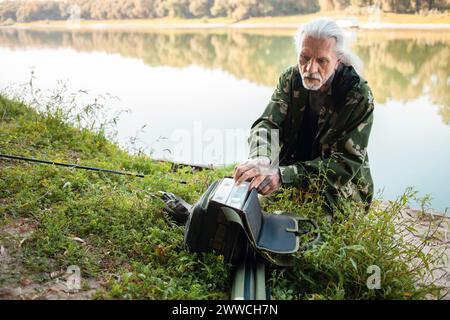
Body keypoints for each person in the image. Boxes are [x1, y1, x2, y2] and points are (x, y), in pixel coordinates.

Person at [233, 18, 375, 213]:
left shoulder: (357, 94)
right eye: (305, 57)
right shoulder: (291, 79)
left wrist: (283, 176)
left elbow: (343, 165)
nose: (310, 68)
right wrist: (261, 158)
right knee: (251, 210)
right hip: (289, 173)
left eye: (321, 60)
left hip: (340, 188)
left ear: (338, 61)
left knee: (306, 232)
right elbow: (267, 124)